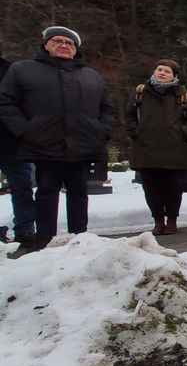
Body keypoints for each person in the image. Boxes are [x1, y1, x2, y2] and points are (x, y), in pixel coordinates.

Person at [0, 26, 115, 245]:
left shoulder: (91, 76)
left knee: (79, 193)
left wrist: (102, 132)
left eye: (69, 43)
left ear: (76, 49)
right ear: (45, 45)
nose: (64, 45)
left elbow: (107, 108)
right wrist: (25, 130)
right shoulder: (23, 70)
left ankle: (81, 240)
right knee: (46, 192)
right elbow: (7, 103)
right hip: (44, 144)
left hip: (83, 144)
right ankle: (44, 240)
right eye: (58, 41)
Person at [124, 59, 187, 235]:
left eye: (167, 71)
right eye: (159, 69)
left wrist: (183, 132)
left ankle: (172, 220)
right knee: (151, 188)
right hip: (146, 148)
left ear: (175, 76)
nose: (162, 73)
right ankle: (158, 220)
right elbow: (128, 115)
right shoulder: (141, 92)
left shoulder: (183, 95)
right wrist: (136, 133)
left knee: (174, 188)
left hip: (174, 150)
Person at [0, 47, 36, 245]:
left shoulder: (12, 71)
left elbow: (27, 103)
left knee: (21, 185)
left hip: (10, 139)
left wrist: (21, 130)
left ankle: (25, 229)